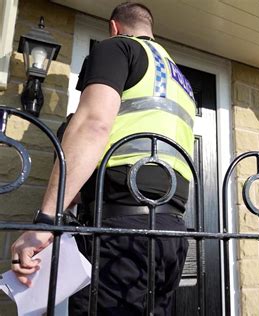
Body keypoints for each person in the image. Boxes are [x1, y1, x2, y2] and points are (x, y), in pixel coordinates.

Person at [10, 2, 195, 315]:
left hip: (121, 233)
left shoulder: (117, 48)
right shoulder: (180, 81)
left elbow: (93, 124)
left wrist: (46, 221)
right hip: (171, 231)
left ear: (113, 27)